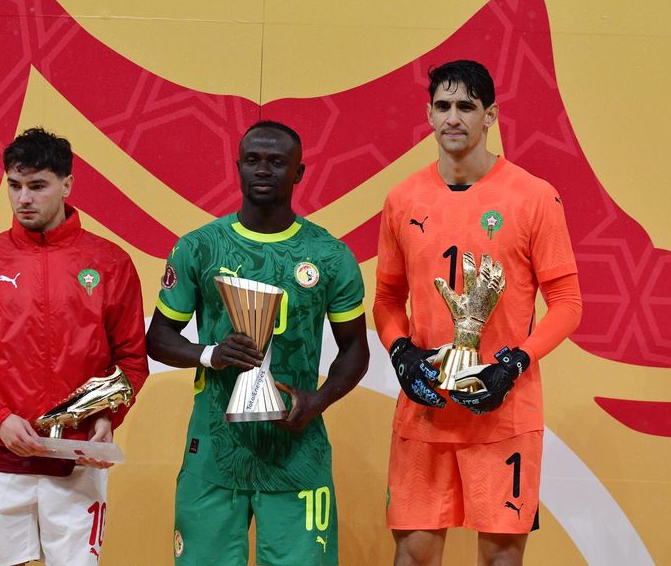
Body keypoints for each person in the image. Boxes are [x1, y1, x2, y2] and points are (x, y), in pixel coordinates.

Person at [373, 60, 583, 565]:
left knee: (502, 558)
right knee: (413, 556)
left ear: (490, 115)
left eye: (466, 107)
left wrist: (514, 364)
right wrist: (401, 353)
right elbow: (384, 301)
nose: (453, 118)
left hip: (503, 414)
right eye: (443, 106)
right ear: (428, 114)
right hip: (425, 412)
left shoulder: (533, 197)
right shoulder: (402, 199)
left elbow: (567, 305)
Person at [146, 121, 370, 566]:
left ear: (299, 173)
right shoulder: (199, 247)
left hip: (296, 452)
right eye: (252, 160)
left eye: (276, 162)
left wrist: (319, 400)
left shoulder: (329, 255)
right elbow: (158, 338)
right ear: (238, 168)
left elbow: (356, 349)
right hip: (213, 451)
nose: (262, 170)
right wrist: (209, 354)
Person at [0, 127, 149, 565]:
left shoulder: (110, 262)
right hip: (1, 462)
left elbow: (130, 359)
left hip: (77, 465)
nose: (23, 199)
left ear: (67, 184)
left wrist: (108, 416)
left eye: (37, 186)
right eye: (14, 186)